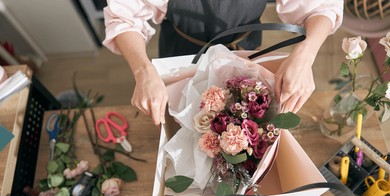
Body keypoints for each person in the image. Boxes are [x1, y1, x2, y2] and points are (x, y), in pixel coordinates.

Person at [103, 0, 344, 125]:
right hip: (181, 53)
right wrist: (143, 71)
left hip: (243, 50)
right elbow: (123, 17)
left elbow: (320, 6)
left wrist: (307, 52)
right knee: (183, 118)